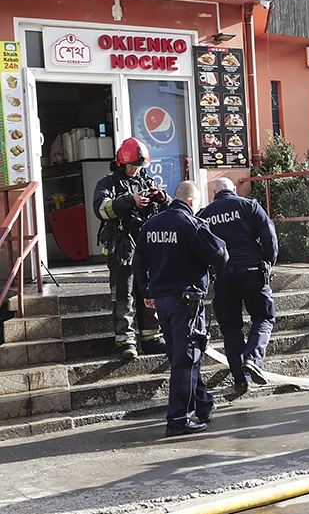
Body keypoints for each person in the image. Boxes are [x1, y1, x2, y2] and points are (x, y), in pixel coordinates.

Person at [133, 180, 229, 436]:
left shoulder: (150, 225)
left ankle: (204, 405)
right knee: (186, 360)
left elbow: (138, 262)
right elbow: (220, 256)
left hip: (161, 300)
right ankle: (178, 420)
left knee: (181, 356)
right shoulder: (192, 225)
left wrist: (146, 292)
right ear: (191, 201)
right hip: (186, 302)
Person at [198, 177, 278, 396]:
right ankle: (253, 360)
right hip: (253, 271)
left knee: (231, 329)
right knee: (263, 317)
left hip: (224, 276)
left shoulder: (204, 215)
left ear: (214, 193)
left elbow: (198, 247)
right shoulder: (249, 205)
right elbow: (269, 237)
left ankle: (240, 381)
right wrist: (268, 262)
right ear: (233, 190)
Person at [93, 137, 171, 361]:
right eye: (131, 165)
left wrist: (162, 199)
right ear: (120, 162)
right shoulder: (107, 184)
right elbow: (101, 210)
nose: (135, 170)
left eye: (139, 166)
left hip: (147, 250)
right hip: (121, 250)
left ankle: (152, 338)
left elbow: (167, 210)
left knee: (149, 295)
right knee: (123, 298)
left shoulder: (146, 180)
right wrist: (130, 201)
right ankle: (126, 343)